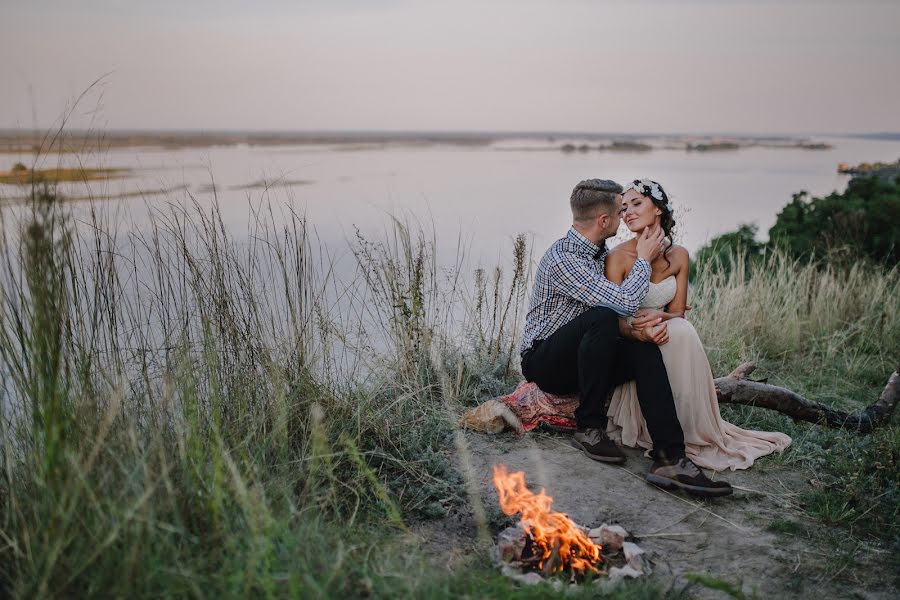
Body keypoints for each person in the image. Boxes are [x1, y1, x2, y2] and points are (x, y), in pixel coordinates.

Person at [520, 178, 733, 496]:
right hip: (545, 360)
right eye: (621, 212)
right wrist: (644, 260)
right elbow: (620, 304)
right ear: (604, 221)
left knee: (642, 350)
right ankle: (589, 428)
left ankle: (669, 458)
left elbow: (618, 317)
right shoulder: (564, 259)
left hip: (584, 355)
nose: (626, 218)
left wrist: (642, 329)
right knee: (605, 313)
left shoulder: (599, 251)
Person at [604, 179, 791, 471]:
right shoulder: (618, 257)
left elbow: (677, 313)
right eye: (623, 207)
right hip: (631, 339)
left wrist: (658, 318)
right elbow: (610, 318)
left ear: (658, 209)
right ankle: (660, 428)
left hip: (667, 331)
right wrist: (642, 325)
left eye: (636, 203)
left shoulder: (679, 255)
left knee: (681, 329)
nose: (627, 212)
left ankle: (690, 427)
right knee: (678, 332)